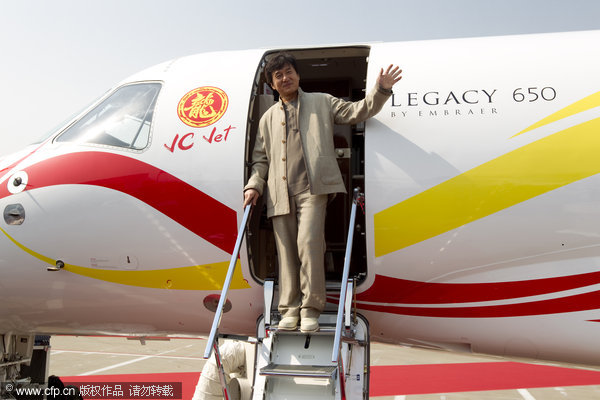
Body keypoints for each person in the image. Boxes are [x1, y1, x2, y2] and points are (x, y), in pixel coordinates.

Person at [244, 52, 402, 332]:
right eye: (278, 75)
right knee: (286, 252)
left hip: (312, 190)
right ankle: (289, 309)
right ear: (272, 83)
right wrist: (254, 185)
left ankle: (310, 309)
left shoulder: (321, 101)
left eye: (289, 72)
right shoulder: (268, 118)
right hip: (279, 193)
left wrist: (381, 90)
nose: (285, 78)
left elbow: (357, 112)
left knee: (309, 245)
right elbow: (261, 159)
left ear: (298, 75)